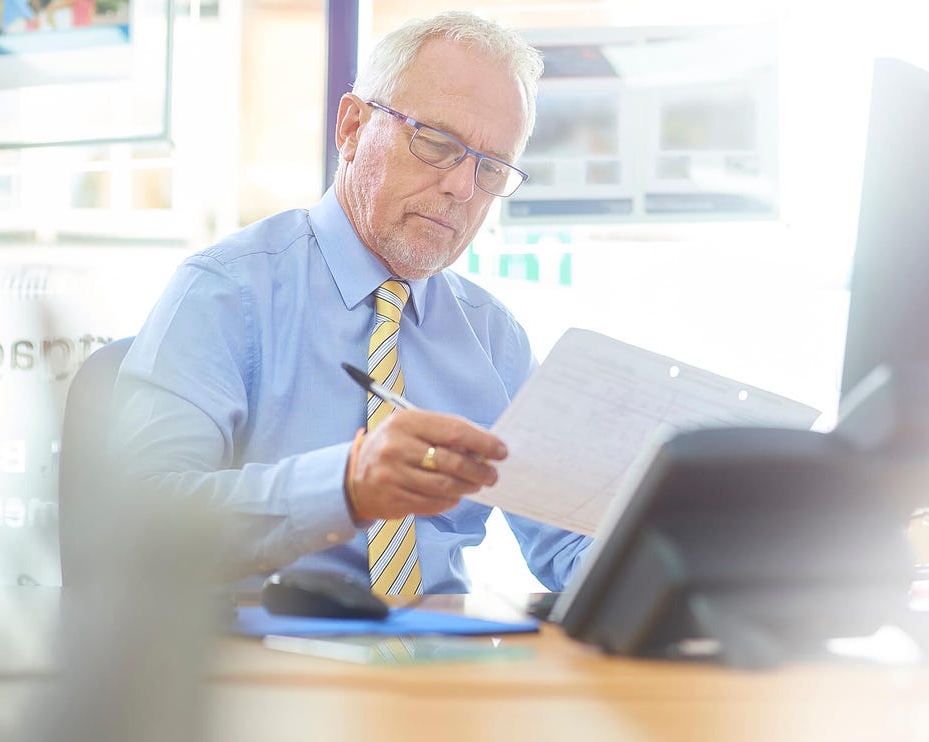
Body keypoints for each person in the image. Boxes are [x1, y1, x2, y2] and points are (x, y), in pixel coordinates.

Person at [109, 11, 590, 594]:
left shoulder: (494, 337)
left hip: (439, 666)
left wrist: (675, 546)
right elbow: (139, 522)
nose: (462, 188)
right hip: (268, 659)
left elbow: (569, 542)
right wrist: (344, 488)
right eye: (438, 144)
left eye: (490, 169)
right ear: (352, 126)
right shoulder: (226, 291)